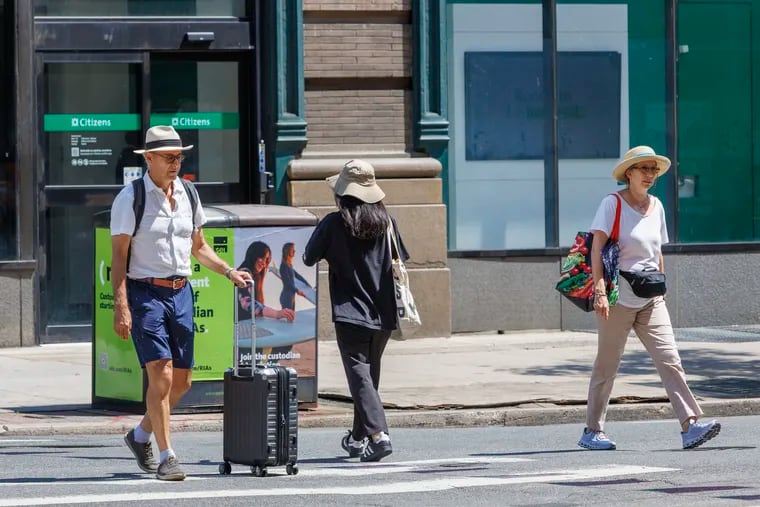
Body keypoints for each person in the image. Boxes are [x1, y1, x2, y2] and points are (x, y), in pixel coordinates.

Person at [110, 125, 251, 481]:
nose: (177, 162)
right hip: (145, 294)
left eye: (180, 156)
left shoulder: (189, 192)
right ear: (150, 159)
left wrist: (228, 270)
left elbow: (199, 247)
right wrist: (121, 305)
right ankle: (166, 456)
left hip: (181, 291)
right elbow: (119, 258)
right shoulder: (131, 198)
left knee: (183, 382)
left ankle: (140, 435)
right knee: (161, 375)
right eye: (169, 157)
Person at [579, 146, 721, 451]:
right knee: (607, 365)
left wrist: (662, 285)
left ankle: (690, 425)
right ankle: (592, 430)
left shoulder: (656, 206)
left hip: (651, 299)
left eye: (653, 170)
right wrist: (600, 291)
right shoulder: (612, 204)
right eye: (643, 169)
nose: (650, 175)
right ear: (628, 173)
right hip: (617, 298)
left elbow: (657, 251)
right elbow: (596, 249)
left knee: (670, 360)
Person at [303, 159, 408, 462]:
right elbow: (399, 260)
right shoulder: (387, 222)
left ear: (343, 194)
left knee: (360, 376)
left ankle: (378, 435)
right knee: (368, 376)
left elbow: (309, 257)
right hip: (384, 314)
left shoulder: (334, 223)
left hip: (351, 313)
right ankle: (358, 437)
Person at [278, 242, 308, 310]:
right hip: (286, 297)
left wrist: (307, 284)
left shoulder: (289, 265)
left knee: (291, 318)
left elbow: (298, 276)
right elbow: (287, 283)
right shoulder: (283, 266)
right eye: (292, 249)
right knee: (288, 318)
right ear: (288, 251)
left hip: (291, 297)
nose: (294, 251)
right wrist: (297, 291)